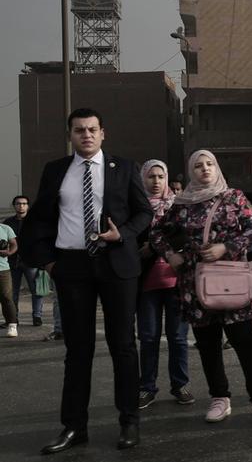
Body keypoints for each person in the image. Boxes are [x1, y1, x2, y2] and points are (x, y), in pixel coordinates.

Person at [21, 107, 153, 453]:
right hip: (72, 268)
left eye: (92, 129)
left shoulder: (124, 168)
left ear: (103, 133)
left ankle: (129, 422)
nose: (86, 135)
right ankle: (74, 427)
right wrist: (49, 261)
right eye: (79, 130)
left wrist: (121, 234)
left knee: (123, 345)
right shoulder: (55, 171)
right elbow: (37, 220)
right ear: (71, 135)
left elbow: (145, 213)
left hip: (116, 266)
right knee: (77, 351)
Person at [150, 149, 252, 427]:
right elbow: (157, 231)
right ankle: (220, 398)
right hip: (195, 284)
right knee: (208, 344)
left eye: (209, 164)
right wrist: (171, 255)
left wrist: (225, 248)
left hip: (231, 278)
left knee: (245, 342)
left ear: (217, 167)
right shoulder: (181, 204)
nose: (204, 169)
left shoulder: (234, 197)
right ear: (190, 172)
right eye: (198, 166)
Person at [136, 160, 194, 410]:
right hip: (146, 284)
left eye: (161, 176)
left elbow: (190, 237)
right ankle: (146, 388)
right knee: (148, 338)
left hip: (176, 282)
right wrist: (143, 250)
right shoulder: (136, 208)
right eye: (151, 176)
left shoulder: (178, 207)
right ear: (143, 179)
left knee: (178, 338)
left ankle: (180, 385)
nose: (156, 181)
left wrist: (165, 247)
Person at [4, 196, 43, 326]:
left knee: (36, 290)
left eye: (24, 203)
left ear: (28, 206)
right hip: (12, 262)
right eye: (18, 203)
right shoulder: (7, 223)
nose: (21, 206)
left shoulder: (34, 221)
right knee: (11, 292)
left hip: (31, 261)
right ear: (14, 206)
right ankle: (13, 319)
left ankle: (37, 316)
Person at [0, 220, 19, 337]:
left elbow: (14, 244)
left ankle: (12, 326)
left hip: (3, 269)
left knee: (6, 297)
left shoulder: (5, 228)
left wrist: (9, 252)